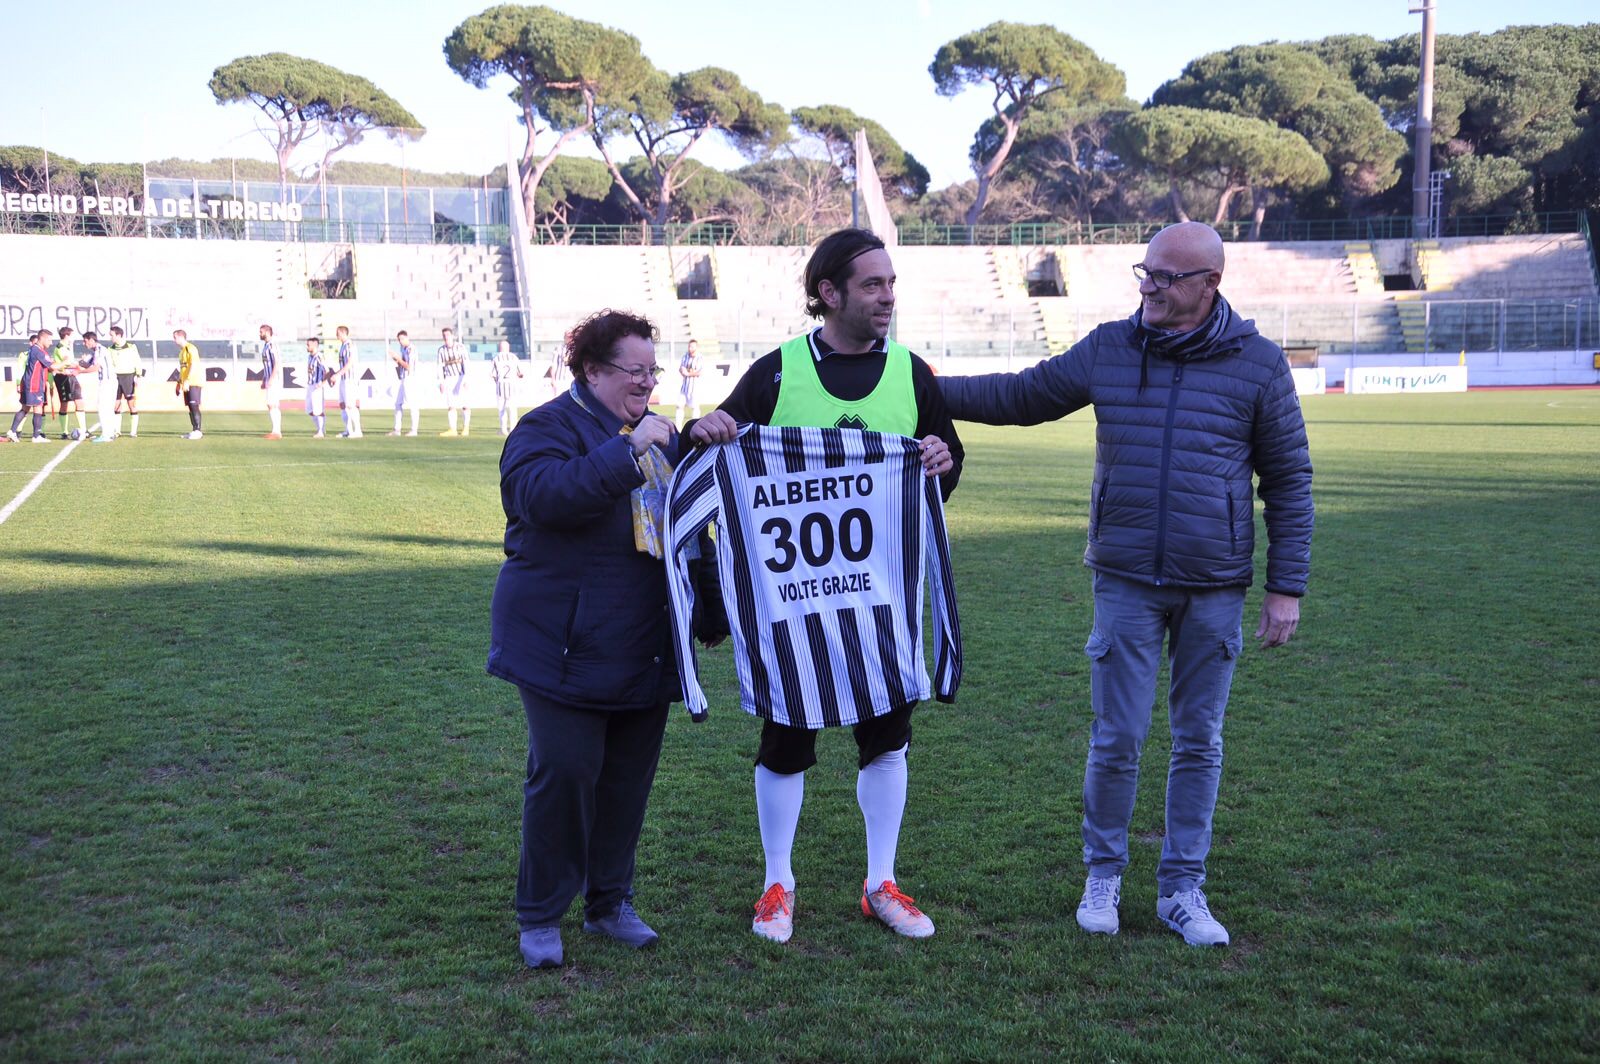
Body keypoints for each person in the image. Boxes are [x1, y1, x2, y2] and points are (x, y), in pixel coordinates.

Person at [936, 221, 1314, 947]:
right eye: (1144, 271)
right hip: (1126, 580)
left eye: (1166, 278)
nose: (1149, 286)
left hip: (1216, 586)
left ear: (1209, 285)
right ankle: (1102, 876)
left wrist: (1285, 585)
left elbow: (1290, 479)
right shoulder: (1111, 346)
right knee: (1117, 738)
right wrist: (917, 385)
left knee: (1198, 740)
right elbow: (1021, 396)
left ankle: (1182, 890)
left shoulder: (1260, 365)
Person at [687, 227, 962, 945]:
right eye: (872, 285)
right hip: (794, 609)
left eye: (891, 283)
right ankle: (778, 881)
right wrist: (704, 426)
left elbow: (943, 467)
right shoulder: (778, 374)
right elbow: (718, 454)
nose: (887, 297)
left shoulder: (912, 373)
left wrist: (940, 457)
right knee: (786, 740)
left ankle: (881, 882)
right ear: (829, 292)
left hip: (880, 603)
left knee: (887, 740)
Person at [488, 309, 723, 969]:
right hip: (560, 643)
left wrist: (708, 611)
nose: (648, 382)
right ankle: (540, 915)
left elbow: (684, 531)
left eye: (653, 370)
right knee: (565, 772)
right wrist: (627, 451)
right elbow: (545, 498)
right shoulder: (544, 429)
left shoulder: (659, 437)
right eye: (634, 371)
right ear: (592, 370)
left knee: (626, 781)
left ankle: (608, 902)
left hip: (643, 643)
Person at [5, 329, 55, 443]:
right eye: (50, 340)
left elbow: (49, 367)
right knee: (37, 407)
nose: (51, 343)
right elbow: (53, 366)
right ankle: (36, 436)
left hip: (30, 382)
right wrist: (68, 364)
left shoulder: (34, 349)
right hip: (34, 384)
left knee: (25, 408)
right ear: (42, 338)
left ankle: (12, 431)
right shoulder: (38, 351)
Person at [80, 331, 118, 443]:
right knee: (108, 408)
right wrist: (79, 365)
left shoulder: (99, 350)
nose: (84, 343)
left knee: (103, 408)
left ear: (91, 340)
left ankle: (106, 434)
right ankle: (110, 433)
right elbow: (88, 364)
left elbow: (96, 367)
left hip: (107, 382)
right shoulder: (97, 351)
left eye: (85, 341)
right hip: (110, 381)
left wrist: (80, 372)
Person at [327, 325, 363, 438]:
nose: (336, 335)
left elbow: (349, 363)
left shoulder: (350, 345)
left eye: (338, 333)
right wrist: (336, 375)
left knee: (350, 405)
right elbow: (343, 364)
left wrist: (337, 375)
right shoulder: (343, 346)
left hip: (350, 379)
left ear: (343, 333)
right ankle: (348, 430)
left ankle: (357, 431)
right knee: (342, 405)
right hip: (343, 379)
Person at [106, 326, 143, 438]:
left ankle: (133, 431)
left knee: (131, 404)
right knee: (116, 404)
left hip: (128, 377)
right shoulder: (110, 349)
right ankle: (117, 431)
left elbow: (137, 361)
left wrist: (138, 376)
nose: (110, 337)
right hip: (115, 378)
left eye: (112, 335)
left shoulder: (131, 347)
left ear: (119, 335)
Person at [51, 327, 86, 439]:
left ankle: (84, 430)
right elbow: (67, 362)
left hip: (71, 376)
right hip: (63, 377)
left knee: (79, 401)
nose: (74, 338)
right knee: (64, 403)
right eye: (72, 335)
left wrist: (79, 364)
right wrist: (81, 364)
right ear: (67, 335)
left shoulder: (68, 346)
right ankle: (64, 432)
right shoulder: (60, 347)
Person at [437, 327, 470, 437]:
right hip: (449, 378)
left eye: (447, 335)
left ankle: (466, 428)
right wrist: (441, 382)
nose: (446, 337)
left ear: (452, 336)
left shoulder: (460, 347)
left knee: (464, 403)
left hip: (460, 377)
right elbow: (439, 367)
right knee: (451, 405)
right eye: (444, 336)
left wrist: (466, 380)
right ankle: (453, 429)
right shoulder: (441, 350)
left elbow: (466, 364)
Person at [387, 330, 420, 436]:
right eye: (399, 340)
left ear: (407, 338)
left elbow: (408, 366)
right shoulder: (404, 349)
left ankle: (414, 430)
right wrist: (396, 359)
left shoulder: (411, 349)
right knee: (398, 403)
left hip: (410, 378)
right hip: (403, 378)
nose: (400, 341)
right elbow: (402, 364)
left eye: (402, 339)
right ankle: (397, 429)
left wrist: (398, 358)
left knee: (412, 404)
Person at [174, 330, 204, 440]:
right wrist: (179, 383)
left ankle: (198, 431)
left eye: (175, 337)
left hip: (194, 382)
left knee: (194, 405)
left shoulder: (191, 348)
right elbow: (183, 370)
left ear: (181, 337)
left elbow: (193, 365)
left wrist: (188, 380)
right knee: (190, 407)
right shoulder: (181, 352)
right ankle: (194, 430)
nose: (174, 340)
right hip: (186, 383)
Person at [491, 339, 523, 436]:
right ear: (508, 348)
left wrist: (497, 381)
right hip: (512, 386)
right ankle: (513, 429)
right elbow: (520, 373)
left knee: (502, 409)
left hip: (501, 386)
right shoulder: (514, 357)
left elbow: (493, 374)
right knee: (513, 409)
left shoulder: (496, 358)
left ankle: (503, 429)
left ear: (500, 348)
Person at [259, 324, 282, 439]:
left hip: (274, 379)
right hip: (269, 378)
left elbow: (277, 363)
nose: (260, 334)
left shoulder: (273, 345)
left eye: (261, 332)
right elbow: (267, 365)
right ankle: (276, 430)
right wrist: (264, 378)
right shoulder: (266, 346)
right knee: (271, 404)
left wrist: (271, 378)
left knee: (272, 404)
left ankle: (276, 431)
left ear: (267, 332)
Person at [304, 337, 330, 438]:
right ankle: (321, 429)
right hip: (310, 385)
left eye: (308, 345)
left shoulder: (319, 357)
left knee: (318, 410)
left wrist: (322, 383)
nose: (307, 346)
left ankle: (320, 431)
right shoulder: (310, 357)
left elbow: (327, 371)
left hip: (317, 387)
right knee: (309, 410)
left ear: (315, 345)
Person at [676, 339, 701, 426]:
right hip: (684, 387)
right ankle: (678, 427)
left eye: (692, 346)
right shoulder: (685, 356)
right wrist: (682, 371)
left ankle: (694, 426)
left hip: (694, 388)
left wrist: (688, 373)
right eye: (689, 346)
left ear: (696, 348)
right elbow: (681, 368)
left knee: (695, 408)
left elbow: (699, 372)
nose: (690, 348)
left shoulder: (700, 358)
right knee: (679, 406)